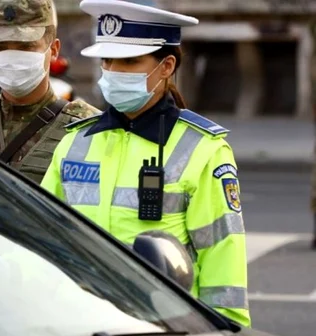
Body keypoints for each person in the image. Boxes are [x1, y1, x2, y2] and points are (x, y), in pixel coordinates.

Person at [39, 0, 250, 328]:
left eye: (129, 61)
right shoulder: (75, 142)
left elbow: (224, 258)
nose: (113, 72)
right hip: (79, 321)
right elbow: (42, 233)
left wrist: (225, 328)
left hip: (164, 325)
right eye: (107, 61)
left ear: (166, 66)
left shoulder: (204, 150)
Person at [0, 0, 100, 183]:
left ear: (53, 49)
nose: (11, 57)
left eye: (26, 46)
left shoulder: (87, 129)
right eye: (0, 47)